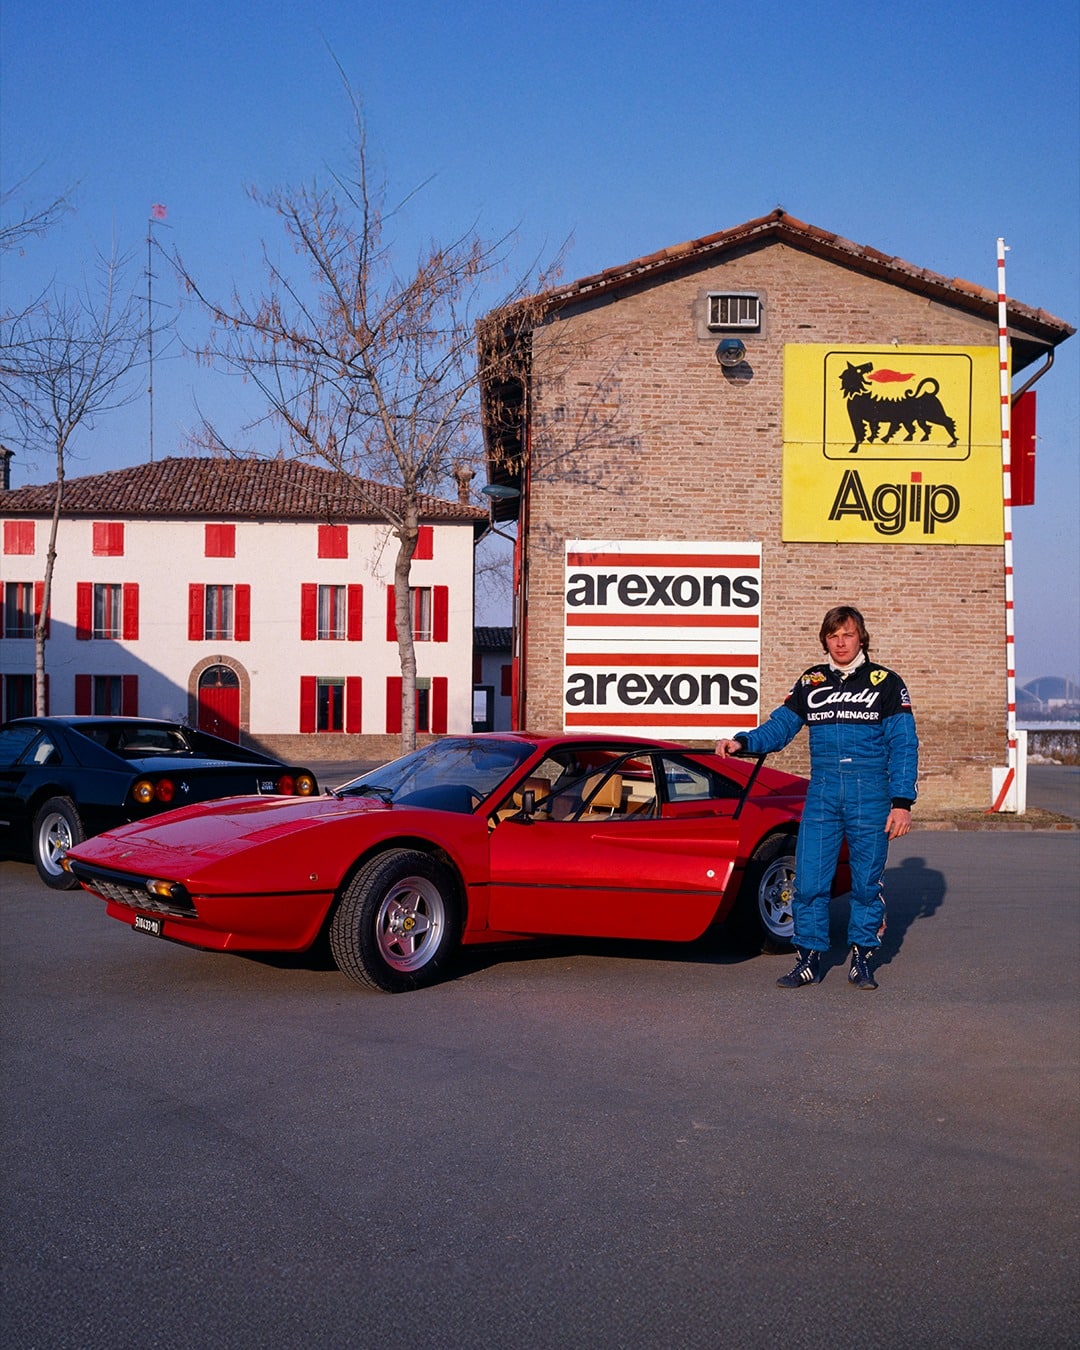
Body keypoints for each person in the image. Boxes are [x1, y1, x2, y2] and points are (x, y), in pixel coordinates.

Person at [716, 605, 918, 990]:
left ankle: (863, 957)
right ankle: (807, 960)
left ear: (862, 638)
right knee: (809, 881)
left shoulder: (886, 683)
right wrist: (743, 742)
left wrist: (902, 802)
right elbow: (780, 726)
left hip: (870, 792)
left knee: (865, 883)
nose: (840, 642)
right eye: (833, 635)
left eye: (848, 634)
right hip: (824, 791)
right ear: (825, 639)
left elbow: (904, 745)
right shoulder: (811, 681)